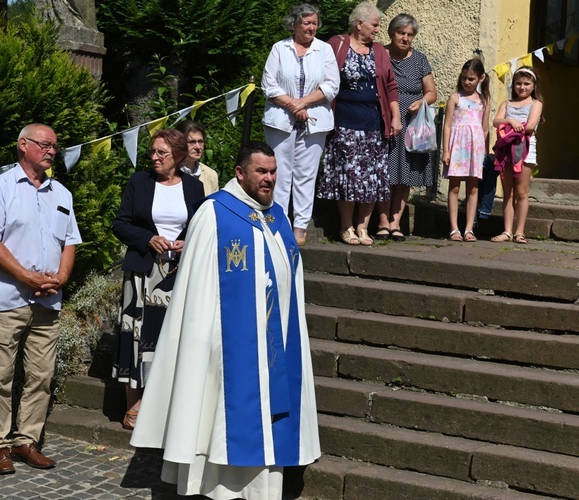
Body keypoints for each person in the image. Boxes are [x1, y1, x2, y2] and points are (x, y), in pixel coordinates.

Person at [130, 141, 320, 500]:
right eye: (261, 172)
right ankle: (213, 486)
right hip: (225, 346)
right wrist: (206, 342)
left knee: (267, 421)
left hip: (273, 340)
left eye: (273, 172)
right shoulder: (214, 214)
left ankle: (263, 489)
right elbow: (195, 292)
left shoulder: (277, 214)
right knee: (219, 419)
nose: (269, 179)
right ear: (240, 173)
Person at [0, 123, 82, 475]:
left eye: (55, 145)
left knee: (41, 375)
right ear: (23, 145)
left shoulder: (61, 194)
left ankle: (26, 441)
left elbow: (70, 242)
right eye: (44, 144)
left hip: (47, 301)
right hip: (6, 298)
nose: (51, 150)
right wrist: (26, 276)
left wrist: (61, 278)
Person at [111, 129, 205, 431]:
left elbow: (200, 226)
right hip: (142, 273)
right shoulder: (139, 182)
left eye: (161, 153)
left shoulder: (194, 187)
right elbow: (120, 224)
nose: (154, 157)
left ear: (178, 155)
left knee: (172, 336)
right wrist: (149, 238)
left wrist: (184, 241)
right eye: (152, 151)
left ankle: (168, 406)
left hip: (178, 274)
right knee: (137, 336)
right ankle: (134, 404)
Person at [316, 2, 401, 246]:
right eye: (374, 25)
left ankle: (363, 228)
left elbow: (391, 86)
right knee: (348, 177)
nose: (377, 30)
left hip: (374, 125)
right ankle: (346, 227)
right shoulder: (337, 44)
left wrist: (395, 117)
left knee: (372, 178)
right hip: (344, 123)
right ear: (359, 23)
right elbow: (322, 78)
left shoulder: (380, 52)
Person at [261, 3, 339, 247]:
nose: (311, 27)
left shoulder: (324, 50)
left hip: (315, 122)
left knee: (306, 175)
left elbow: (331, 85)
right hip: (280, 122)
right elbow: (269, 85)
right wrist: (293, 106)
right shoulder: (279, 48)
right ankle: (279, 223)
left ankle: (300, 227)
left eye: (315, 23)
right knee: (280, 174)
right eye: (307, 23)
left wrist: (303, 104)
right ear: (294, 24)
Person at [374, 13, 437, 242]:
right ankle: (382, 222)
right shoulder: (380, 54)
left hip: (411, 125)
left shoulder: (420, 59)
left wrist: (421, 102)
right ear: (392, 33)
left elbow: (432, 92)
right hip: (385, 120)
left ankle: (395, 223)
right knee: (385, 173)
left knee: (405, 175)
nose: (405, 38)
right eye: (401, 33)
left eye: (410, 35)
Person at [490, 66, 544, 244]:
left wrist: (509, 127)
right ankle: (507, 231)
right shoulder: (507, 104)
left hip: (525, 148)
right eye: (518, 83)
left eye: (526, 84)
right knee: (508, 192)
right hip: (506, 149)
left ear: (534, 85)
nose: (522, 87)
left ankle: (519, 231)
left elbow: (530, 126)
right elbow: (496, 121)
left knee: (521, 191)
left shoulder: (536, 104)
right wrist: (510, 120)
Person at [441, 59, 490, 242]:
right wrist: (446, 150)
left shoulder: (484, 101)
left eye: (471, 79)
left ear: (481, 78)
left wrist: (484, 153)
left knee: (473, 188)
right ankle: (454, 228)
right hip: (457, 146)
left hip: (475, 148)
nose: (467, 82)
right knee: (454, 186)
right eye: (464, 78)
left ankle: (469, 228)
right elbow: (447, 126)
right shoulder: (455, 98)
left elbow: (485, 129)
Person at [176, 120, 219, 195]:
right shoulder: (169, 172)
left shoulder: (211, 175)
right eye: (192, 142)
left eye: (200, 141)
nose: (198, 147)